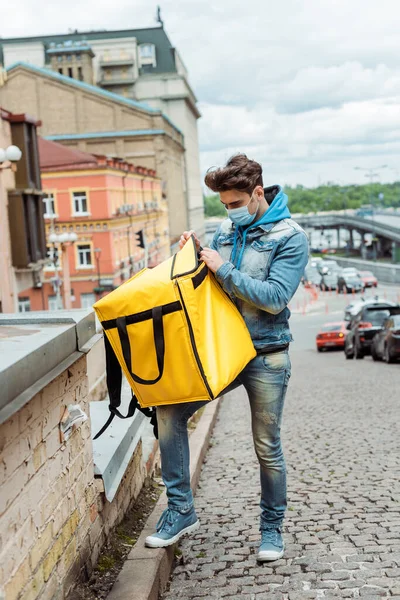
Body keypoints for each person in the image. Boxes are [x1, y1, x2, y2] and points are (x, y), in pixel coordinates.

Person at [145, 154, 309, 562]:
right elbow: (206, 287)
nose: (230, 212)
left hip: (266, 354)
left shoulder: (291, 236)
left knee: (266, 446)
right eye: (224, 205)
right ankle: (181, 510)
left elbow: (273, 299)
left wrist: (222, 269)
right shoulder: (222, 230)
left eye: (236, 203)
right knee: (168, 410)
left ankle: (271, 529)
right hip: (220, 350)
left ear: (257, 194)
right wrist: (194, 253)